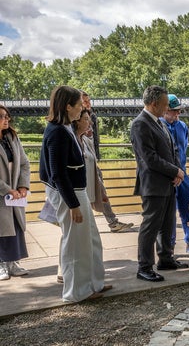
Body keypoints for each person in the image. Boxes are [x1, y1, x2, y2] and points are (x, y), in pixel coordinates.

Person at [39, 85, 110, 301]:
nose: (83, 108)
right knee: (75, 244)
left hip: (77, 192)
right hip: (70, 194)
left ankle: (93, 283)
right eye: (79, 105)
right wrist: (72, 205)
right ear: (68, 106)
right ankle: (75, 292)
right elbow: (58, 174)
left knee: (91, 239)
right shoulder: (57, 132)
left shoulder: (66, 128)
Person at [130, 85, 187, 282]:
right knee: (150, 226)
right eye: (164, 105)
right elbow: (149, 158)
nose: (166, 108)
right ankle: (144, 266)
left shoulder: (159, 122)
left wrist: (178, 172)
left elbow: (174, 150)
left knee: (167, 224)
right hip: (153, 185)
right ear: (154, 104)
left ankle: (166, 258)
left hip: (169, 183)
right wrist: (176, 171)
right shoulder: (140, 124)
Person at [162, 95, 189, 255]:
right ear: (165, 110)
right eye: (175, 111)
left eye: (179, 111)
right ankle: (170, 247)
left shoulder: (182, 126)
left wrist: (181, 171)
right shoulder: (159, 125)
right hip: (167, 176)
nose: (178, 114)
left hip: (183, 173)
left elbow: (183, 148)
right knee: (168, 213)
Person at [81, 92, 132, 233]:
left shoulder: (91, 115)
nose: (88, 103)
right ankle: (110, 222)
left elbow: (93, 138)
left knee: (99, 191)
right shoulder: (79, 119)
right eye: (85, 101)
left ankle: (110, 222)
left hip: (92, 160)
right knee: (98, 191)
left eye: (89, 100)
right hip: (86, 162)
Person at [0, 104, 31, 281]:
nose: (7, 119)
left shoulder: (12, 137)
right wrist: (6, 189)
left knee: (15, 226)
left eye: (7, 116)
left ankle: (12, 262)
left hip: (15, 192)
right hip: (3, 190)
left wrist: (22, 186)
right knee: (1, 228)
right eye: (2, 116)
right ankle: (1, 265)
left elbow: (25, 163)